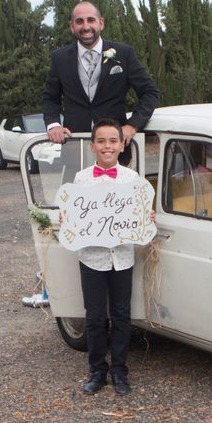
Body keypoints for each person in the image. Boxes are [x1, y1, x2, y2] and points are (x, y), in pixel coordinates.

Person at [72, 118, 150, 395]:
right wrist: (68, 219)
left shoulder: (132, 179)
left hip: (122, 258)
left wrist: (145, 219)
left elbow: (140, 218)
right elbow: (75, 215)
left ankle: (119, 371)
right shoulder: (81, 179)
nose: (108, 146)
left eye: (113, 141)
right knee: (94, 318)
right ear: (93, 146)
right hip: (92, 258)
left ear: (121, 145)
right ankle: (97, 371)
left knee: (120, 316)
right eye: (102, 141)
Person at [42, 1, 159, 153]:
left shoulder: (124, 54)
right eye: (79, 21)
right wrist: (53, 125)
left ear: (101, 23)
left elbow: (150, 92)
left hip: (115, 149)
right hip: (74, 147)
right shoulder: (59, 58)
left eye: (91, 20)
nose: (85, 27)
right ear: (72, 27)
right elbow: (50, 98)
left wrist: (132, 125)